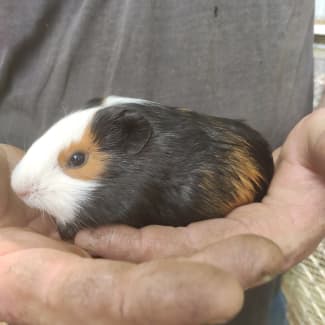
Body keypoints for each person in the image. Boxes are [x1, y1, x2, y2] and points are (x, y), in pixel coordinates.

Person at [0, 1, 321, 324]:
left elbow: (123, 204)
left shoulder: (144, 183)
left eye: (77, 160)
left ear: (132, 142)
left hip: (258, 265)